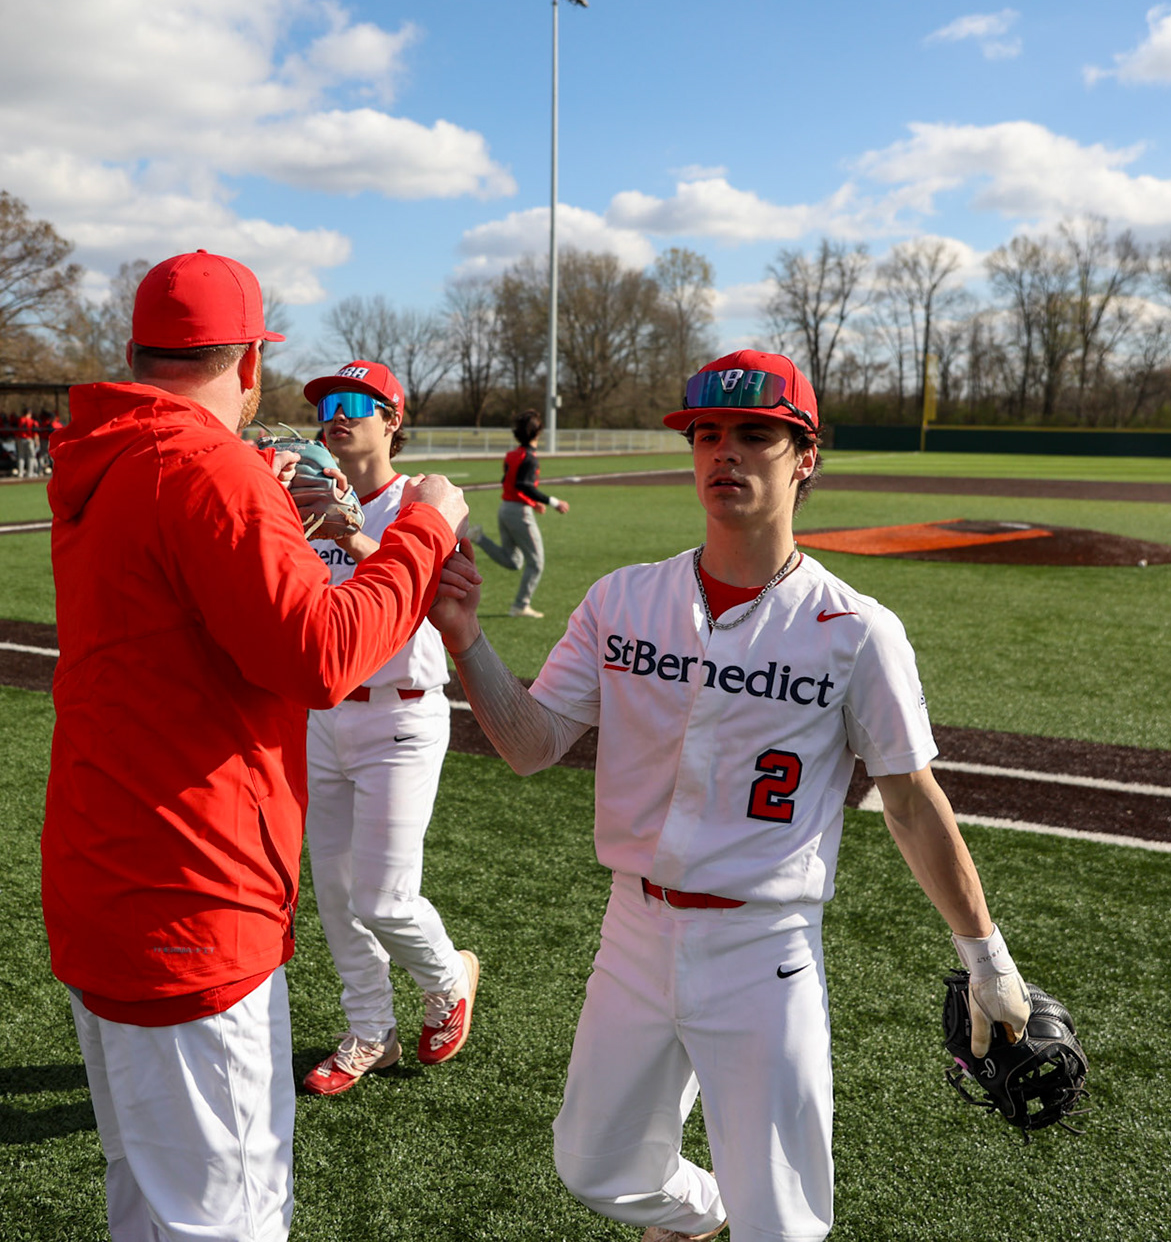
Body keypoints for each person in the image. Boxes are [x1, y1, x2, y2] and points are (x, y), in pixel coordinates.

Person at [430, 350, 1033, 1242]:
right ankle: (706, 1214)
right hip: (633, 930)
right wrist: (467, 640)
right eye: (708, 435)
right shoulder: (622, 600)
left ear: (805, 458)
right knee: (594, 1168)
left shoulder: (856, 630)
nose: (725, 455)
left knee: (784, 1223)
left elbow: (909, 800)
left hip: (764, 949)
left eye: (755, 435)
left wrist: (988, 959)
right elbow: (529, 747)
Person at [41, 250, 468, 1242]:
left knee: (151, 1205)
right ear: (250, 366)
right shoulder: (204, 465)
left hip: (111, 879)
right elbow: (320, 653)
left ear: (140, 355)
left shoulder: (116, 459)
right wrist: (425, 532)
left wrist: (271, 504)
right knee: (229, 1219)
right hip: (194, 892)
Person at [293, 360, 479, 1097]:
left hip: (402, 712)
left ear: (391, 419)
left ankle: (446, 980)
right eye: (326, 406)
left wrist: (357, 538)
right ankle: (370, 1031)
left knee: (384, 898)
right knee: (336, 895)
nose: (335, 416)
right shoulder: (306, 499)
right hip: (324, 712)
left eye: (353, 404)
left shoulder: (426, 500)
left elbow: (434, 590)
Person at [474, 409, 568, 618]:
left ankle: (478, 537)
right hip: (518, 513)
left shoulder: (513, 455)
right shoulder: (530, 458)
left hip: (506, 509)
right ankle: (520, 605)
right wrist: (554, 502)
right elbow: (524, 486)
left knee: (514, 561)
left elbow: (510, 484)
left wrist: (532, 503)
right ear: (537, 433)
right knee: (536, 562)